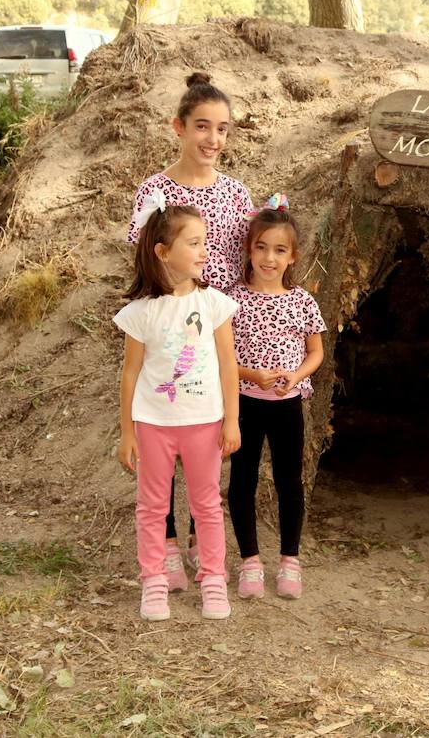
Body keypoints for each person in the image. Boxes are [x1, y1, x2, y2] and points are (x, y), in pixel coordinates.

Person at [127, 72, 254, 592]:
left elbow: (245, 263)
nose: (213, 139)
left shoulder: (236, 193)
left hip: (219, 327)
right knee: (163, 422)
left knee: (208, 431)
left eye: (223, 129)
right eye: (203, 126)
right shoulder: (154, 191)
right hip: (167, 327)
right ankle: (168, 551)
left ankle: (211, 546)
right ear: (178, 127)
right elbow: (142, 255)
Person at [115, 196, 241, 621]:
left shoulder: (214, 304)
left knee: (206, 504)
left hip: (204, 422)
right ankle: (153, 582)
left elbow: (228, 365)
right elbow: (131, 374)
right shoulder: (141, 312)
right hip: (154, 423)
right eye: (194, 242)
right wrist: (128, 432)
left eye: (204, 241)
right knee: (153, 506)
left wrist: (232, 420)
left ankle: (212, 580)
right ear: (163, 252)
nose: (204, 250)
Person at [226, 198, 326, 600]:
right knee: (242, 479)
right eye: (262, 247)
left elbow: (315, 352)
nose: (269, 257)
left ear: (292, 256)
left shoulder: (302, 300)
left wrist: (295, 376)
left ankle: (290, 560)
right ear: (249, 250)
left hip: (287, 404)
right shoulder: (231, 300)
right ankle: (250, 561)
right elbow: (220, 359)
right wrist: (252, 374)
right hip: (243, 402)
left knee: (289, 481)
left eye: (279, 250)